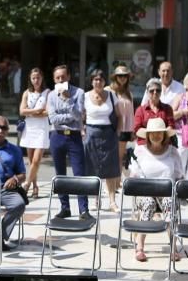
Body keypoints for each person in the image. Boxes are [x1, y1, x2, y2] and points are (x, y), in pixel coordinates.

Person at [129, 118, 188, 262]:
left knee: (169, 203)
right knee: (148, 203)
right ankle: (140, 247)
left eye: (159, 133)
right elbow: (133, 177)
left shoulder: (173, 152)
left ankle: (173, 247)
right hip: (144, 192)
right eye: (152, 133)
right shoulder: (140, 151)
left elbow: (180, 176)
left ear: (165, 135)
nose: (156, 135)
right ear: (147, 135)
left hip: (166, 191)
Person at [46, 65, 89, 219]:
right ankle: (65, 207)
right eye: (57, 78)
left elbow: (78, 116)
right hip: (57, 135)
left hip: (74, 136)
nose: (60, 80)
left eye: (63, 77)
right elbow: (53, 119)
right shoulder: (51, 95)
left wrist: (67, 99)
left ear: (69, 77)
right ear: (54, 79)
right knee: (60, 174)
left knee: (79, 174)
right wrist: (68, 117)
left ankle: (83, 210)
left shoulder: (79, 93)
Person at [0, 116, 27, 252]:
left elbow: (23, 175)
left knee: (19, 204)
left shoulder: (15, 150)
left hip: (5, 189)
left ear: (8, 130)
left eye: (3, 128)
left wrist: (15, 179)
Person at [84, 70, 123, 211]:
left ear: (104, 81)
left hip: (109, 134)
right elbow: (80, 116)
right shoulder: (85, 96)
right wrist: (83, 132)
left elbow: (119, 116)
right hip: (91, 134)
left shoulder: (112, 95)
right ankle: (96, 200)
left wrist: (118, 132)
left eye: (100, 79)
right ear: (91, 81)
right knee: (93, 168)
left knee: (111, 169)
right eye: (95, 79)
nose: (98, 82)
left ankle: (112, 202)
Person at [19, 68, 50, 199]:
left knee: (36, 160)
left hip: (42, 128)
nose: (36, 80)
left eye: (38, 77)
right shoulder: (27, 92)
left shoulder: (48, 93)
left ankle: (26, 185)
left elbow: (48, 112)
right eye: (33, 78)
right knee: (31, 160)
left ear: (42, 78)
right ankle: (35, 186)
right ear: (30, 79)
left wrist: (30, 112)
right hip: (29, 128)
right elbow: (21, 111)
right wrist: (37, 111)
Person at [107, 65, 135, 183]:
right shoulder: (108, 90)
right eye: (120, 75)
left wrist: (132, 130)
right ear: (115, 77)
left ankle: (117, 182)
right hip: (111, 127)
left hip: (124, 129)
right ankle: (109, 183)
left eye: (125, 76)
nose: (122, 78)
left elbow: (131, 113)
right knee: (110, 156)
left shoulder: (129, 93)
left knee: (119, 157)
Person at [133, 78, 175, 147]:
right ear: (147, 92)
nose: (155, 92)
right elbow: (137, 129)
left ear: (161, 92)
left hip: (164, 145)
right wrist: (153, 135)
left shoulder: (168, 108)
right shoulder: (140, 110)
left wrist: (159, 137)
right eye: (151, 91)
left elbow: (171, 126)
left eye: (158, 90)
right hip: (144, 145)